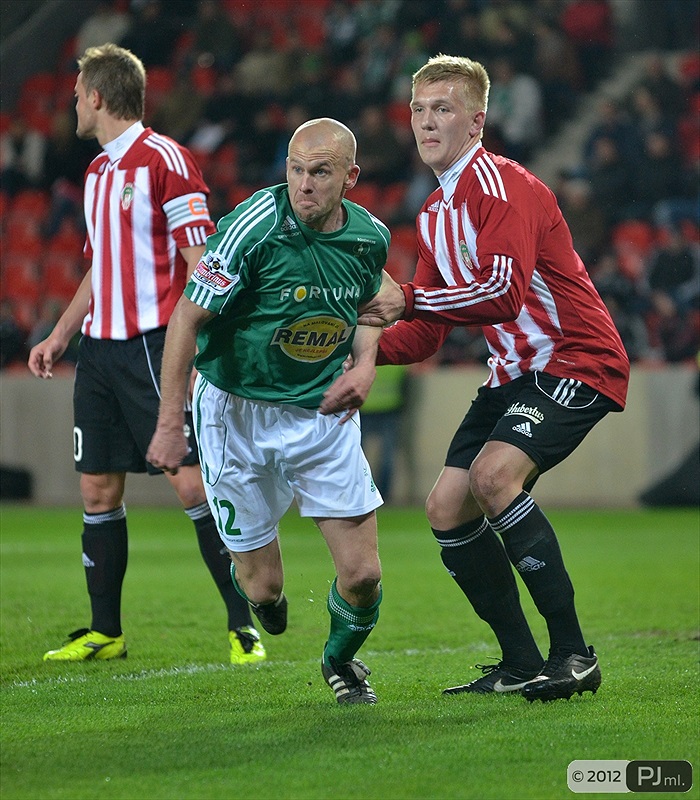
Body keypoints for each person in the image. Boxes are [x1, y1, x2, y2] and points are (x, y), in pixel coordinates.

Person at [358, 55, 630, 702]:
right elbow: (426, 332)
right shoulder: (433, 210)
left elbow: (502, 295)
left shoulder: (504, 187)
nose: (427, 122)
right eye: (419, 110)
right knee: (445, 508)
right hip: (512, 372)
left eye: (443, 109)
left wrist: (407, 298)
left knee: (492, 477)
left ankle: (574, 655)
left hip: (573, 356)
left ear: (477, 121)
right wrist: (354, 353)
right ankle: (520, 662)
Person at [27, 43, 265, 667]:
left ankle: (243, 626)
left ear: (97, 96)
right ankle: (106, 631)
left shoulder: (166, 160)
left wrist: (206, 343)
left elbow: (202, 261)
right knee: (97, 489)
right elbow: (99, 267)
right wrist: (60, 334)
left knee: (189, 482)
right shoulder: (96, 173)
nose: (73, 106)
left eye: (77, 96)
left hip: (156, 346)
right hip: (99, 353)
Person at [146, 118, 389, 705]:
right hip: (234, 413)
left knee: (363, 576)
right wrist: (170, 422)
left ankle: (339, 661)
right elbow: (187, 317)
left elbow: (371, 305)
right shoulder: (252, 227)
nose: (304, 184)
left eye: (320, 172)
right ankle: (264, 598)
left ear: (350, 177)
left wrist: (364, 365)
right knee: (263, 587)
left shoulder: (370, 237)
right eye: (296, 169)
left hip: (321, 413)